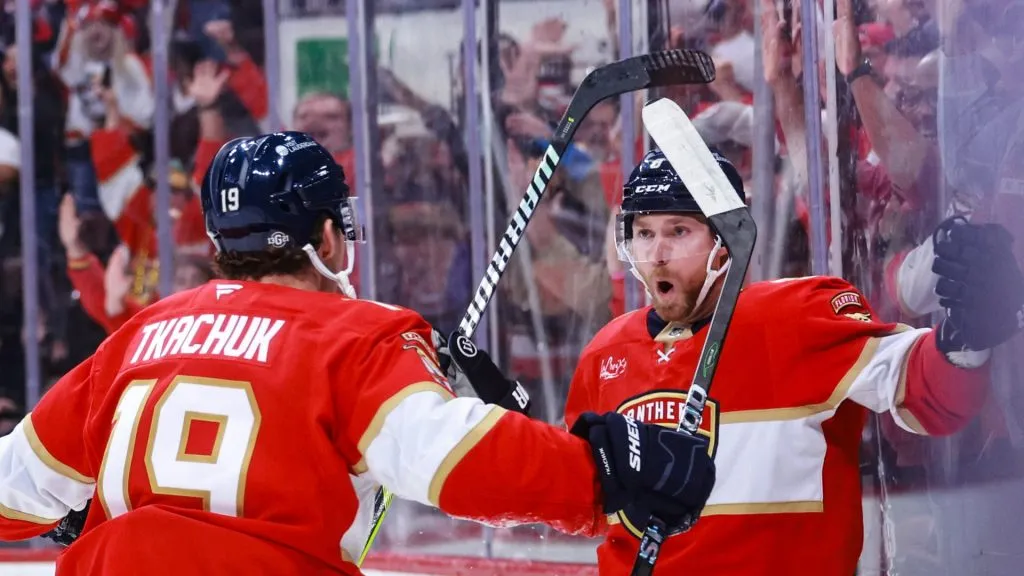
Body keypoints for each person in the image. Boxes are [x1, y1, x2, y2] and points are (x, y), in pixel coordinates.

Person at [0, 133, 716, 575]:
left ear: (220, 244)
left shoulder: (137, 338)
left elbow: (16, 485)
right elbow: (450, 458)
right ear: (330, 237)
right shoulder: (355, 337)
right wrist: (599, 476)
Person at [446, 147, 1024, 576]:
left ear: (727, 240)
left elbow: (925, 393)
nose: (657, 253)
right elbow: (586, 505)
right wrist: (514, 436)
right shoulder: (608, 354)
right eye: (643, 234)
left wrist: (964, 339)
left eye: (678, 230)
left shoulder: (799, 317)